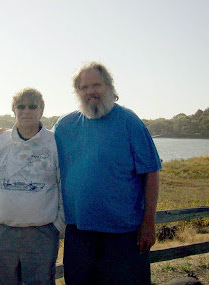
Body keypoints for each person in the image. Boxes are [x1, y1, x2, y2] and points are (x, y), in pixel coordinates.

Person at [53, 62, 162, 285]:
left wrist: (149, 223)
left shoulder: (129, 121)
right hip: (79, 233)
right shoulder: (64, 126)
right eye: (84, 87)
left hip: (124, 235)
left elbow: (151, 172)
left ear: (109, 87)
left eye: (96, 85)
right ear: (77, 92)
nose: (90, 91)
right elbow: (37, 147)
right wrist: (7, 136)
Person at [0, 88, 65, 285]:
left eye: (33, 106)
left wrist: (59, 225)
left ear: (42, 110)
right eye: (21, 106)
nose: (26, 111)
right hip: (0, 233)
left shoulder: (54, 143)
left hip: (42, 234)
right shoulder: (0, 141)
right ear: (13, 109)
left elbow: (63, 186)